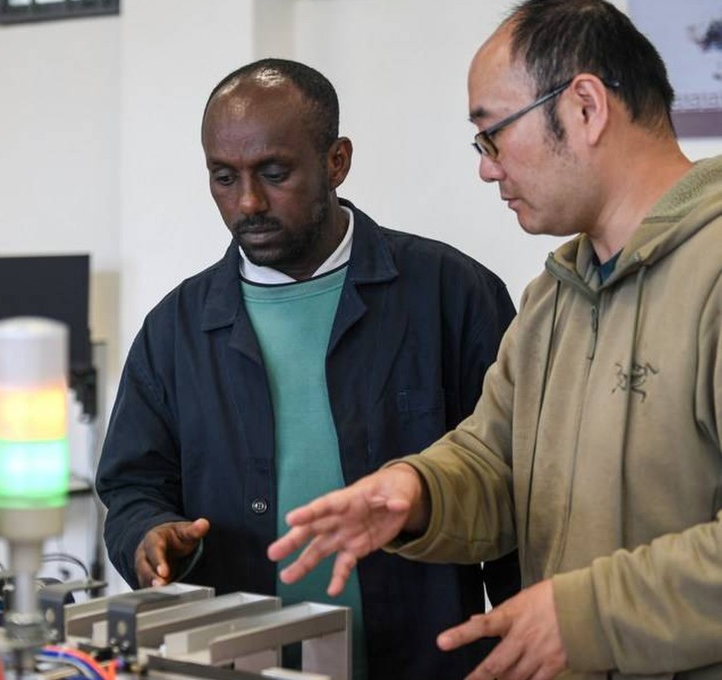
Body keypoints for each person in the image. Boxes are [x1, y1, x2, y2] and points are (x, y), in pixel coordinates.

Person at [268, 2, 722, 679]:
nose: (486, 168)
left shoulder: (711, 272)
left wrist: (586, 615)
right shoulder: (556, 295)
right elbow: (496, 459)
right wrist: (413, 490)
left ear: (586, 108)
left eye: (493, 135)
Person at [96, 58, 519, 680]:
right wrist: (150, 537)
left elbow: (514, 482)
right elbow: (132, 488)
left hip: (423, 661)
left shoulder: (450, 295)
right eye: (223, 177)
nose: (248, 202)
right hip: (237, 661)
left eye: (274, 172)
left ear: (336, 161)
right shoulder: (176, 329)